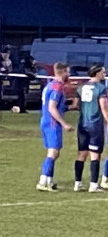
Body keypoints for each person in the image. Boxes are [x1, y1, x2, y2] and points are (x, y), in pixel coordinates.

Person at [74, 65, 108, 193]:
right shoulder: (101, 88)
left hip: (82, 123)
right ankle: (93, 185)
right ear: (96, 73)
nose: (104, 74)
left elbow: (75, 104)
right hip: (95, 124)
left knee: (81, 153)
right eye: (103, 72)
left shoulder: (81, 87)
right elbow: (104, 107)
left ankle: (77, 183)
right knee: (95, 155)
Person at [36, 63, 73, 192]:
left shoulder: (49, 85)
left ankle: (49, 181)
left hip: (45, 121)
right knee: (54, 152)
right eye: (68, 72)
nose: (69, 75)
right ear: (62, 72)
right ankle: (42, 181)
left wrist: (68, 107)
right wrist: (64, 124)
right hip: (52, 123)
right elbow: (52, 107)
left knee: (53, 152)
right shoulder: (57, 87)